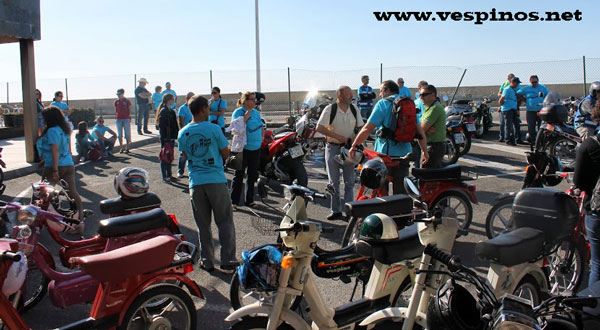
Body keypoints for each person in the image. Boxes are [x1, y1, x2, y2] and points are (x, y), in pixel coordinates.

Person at [178, 94, 237, 273]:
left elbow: (185, 155)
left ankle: (207, 261)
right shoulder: (214, 129)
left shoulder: (183, 133)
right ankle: (227, 259)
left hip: (195, 183)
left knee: (203, 225)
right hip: (216, 180)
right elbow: (226, 153)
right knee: (225, 221)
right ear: (203, 109)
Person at [350, 80, 429, 195]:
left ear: (387, 90)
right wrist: (425, 152)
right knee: (401, 192)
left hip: (385, 155)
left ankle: (384, 212)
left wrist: (354, 145)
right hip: (404, 154)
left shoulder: (383, 103)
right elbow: (419, 131)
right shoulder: (408, 103)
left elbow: (368, 128)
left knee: (382, 192)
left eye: (381, 91)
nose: (380, 94)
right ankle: (400, 212)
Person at [316, 86, 363, 220]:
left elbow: (361, 127)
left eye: (352, 94)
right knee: (334, 182)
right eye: (348, 94)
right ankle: (335, 210)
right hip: (333, 148)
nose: (351, 96)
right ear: (340, 95)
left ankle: (349, 211)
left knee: (349, 181)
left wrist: (356, 139)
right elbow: (319, 128)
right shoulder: (330, 109)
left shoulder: (354, 109)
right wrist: (338, 137)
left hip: (349, 149)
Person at [36, 106, 84, 233]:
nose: (43, 120)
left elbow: (55, 150)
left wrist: (55, 170)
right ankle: (80, 220)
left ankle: (39, 222)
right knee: (73, 193)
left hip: (54, 165)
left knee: (43, 193)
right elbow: (64, 148)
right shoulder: (64, 129)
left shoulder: (52, 131)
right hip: (68, 163)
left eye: (44, 118)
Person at [574, 102, 600, 283]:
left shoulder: (589, 146)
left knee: (598, 264)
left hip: (597, 209)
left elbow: (580, 182)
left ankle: (595, 306)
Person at [230, 91, 263, 209]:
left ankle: (249, 200)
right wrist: (244, 118)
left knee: (252, 175)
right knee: (238, 175)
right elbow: (234, 129)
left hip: (255, 148)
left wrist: (261, 139)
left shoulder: (256, 113)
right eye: (252, 99)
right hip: (242, 148)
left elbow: (261, 126)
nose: (255, 102)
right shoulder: (238, 112)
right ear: (245, 100)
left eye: (255, 99)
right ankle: (233, 202)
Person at [419, 85, 446, 169]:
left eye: (423, 95)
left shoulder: (435, 108)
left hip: (433, 148)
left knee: (428, 177)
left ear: (432, 95)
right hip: (430, 146)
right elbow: (421, 128)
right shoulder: (428, 108)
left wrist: (423, 129)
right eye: (419, 95)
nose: (421, 98)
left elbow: (420, 131)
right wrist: (425, 129)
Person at [517, 75, 549, 144]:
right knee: (531, 126)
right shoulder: (527, 88)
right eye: (532, 82)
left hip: (541, 110)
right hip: (530, 111)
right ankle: (533, 141)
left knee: (542, 126)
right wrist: (524, 99)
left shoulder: (543, 87)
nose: (534, 83)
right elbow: (518, 93)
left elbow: (548, 95)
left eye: (535, 82)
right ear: (530, 82)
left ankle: (542, 140)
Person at [158, 93, 179, 182]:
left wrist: (176, 134)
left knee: (169, 156)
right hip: (166, 137)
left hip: (171, 137)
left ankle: (169, 174)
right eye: (172, 99)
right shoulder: (163, 111)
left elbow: (175, 124)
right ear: (168, 100)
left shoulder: (171, 111)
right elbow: (162, 125)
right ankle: (164, 176)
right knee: (164, 156)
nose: (173, 100)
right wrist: (165, 137)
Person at [176, 92, 195, 178]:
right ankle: (180, 171)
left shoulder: (195, 107)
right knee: (183, 154)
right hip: (186, 133)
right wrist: (184, 133)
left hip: (195, 133)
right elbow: (181, 121)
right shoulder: (182, 108)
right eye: (190, 98)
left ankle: (194, 170)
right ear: (186, 98)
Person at [499, 77, 521, 146]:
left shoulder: (513, 89)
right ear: (512, 82)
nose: (517, 84)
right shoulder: (507, 89)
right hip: (507, 109)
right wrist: (502, 106)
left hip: (513, 108)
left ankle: (515, 138)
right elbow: (501, 99)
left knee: (517, 124)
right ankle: (508, 139)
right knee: (508, 125)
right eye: (516, 83)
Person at [497, 73, 515, 142]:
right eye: (510, 78)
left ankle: (511, 137)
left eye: (512, 78)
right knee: (502, 123)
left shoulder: (516, 84)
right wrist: (504, 94)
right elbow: (499, 93)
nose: (511, 79)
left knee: (510, 123)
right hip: (503, 105)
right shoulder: (504, 84)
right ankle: (502, 136)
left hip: (511, 106)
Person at [114, 88, 132, 153]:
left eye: (119, 94)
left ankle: (127, 147)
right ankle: (121, 147)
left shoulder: (127, 101)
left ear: (123, 94)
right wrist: (116, 117)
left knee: (127, 134)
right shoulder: (116, 101)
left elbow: (129, 109)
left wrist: (129, 117)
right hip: (119, 119)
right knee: (119, 134)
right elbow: (116, 110)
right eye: (117, 94)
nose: (118, 95)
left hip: (126, 118)